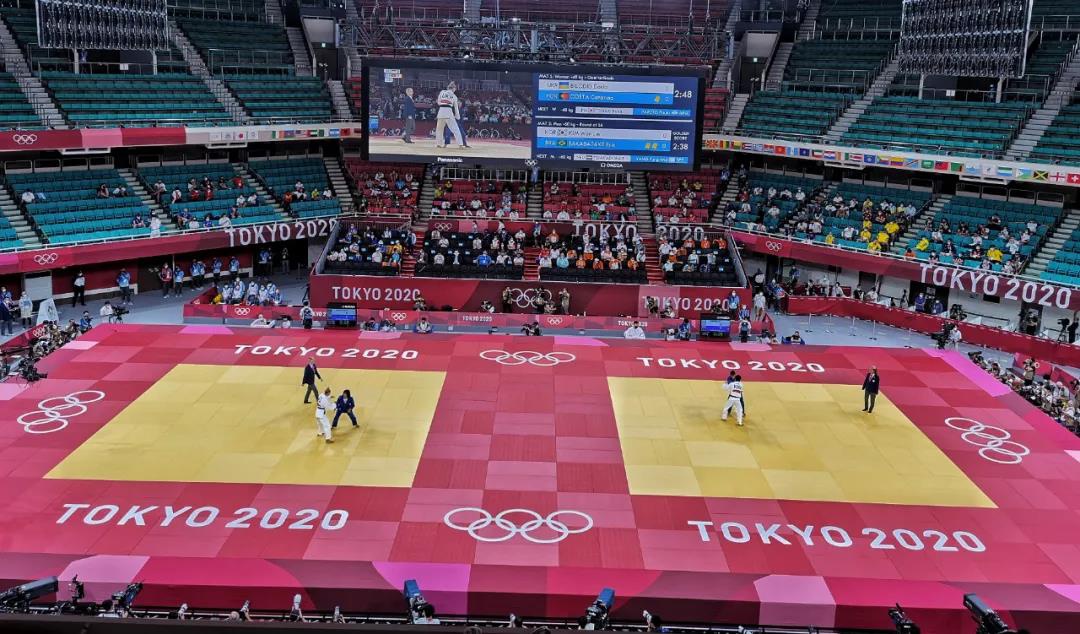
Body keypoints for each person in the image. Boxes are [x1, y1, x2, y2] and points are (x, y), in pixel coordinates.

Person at [434, 81, 465, 148]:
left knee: (439, 129)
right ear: (453, 88)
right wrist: (458, 116)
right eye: (455, 88)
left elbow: (438, 102)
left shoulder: (442, 92)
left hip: (441, 112)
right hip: (448, 112)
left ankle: (439, 144)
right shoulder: (454, 96)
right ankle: (460, 144)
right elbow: (456, 108)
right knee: (455, 129)